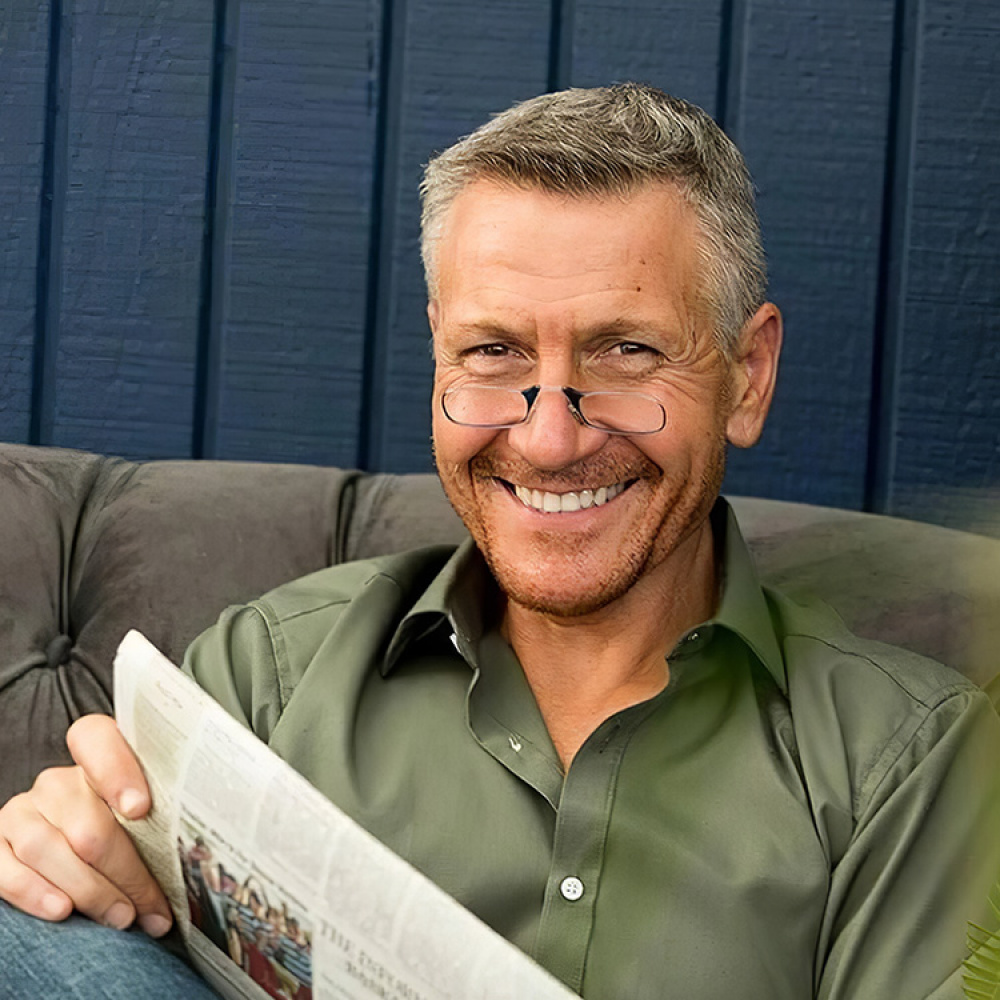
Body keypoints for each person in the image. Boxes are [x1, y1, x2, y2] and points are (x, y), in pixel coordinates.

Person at [0, 83, 998, 999]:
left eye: (626, 351)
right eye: (493, 352)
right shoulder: (267, 675)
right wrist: (65, 856)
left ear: (748, 376)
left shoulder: (905, 768)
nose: (550, 436)